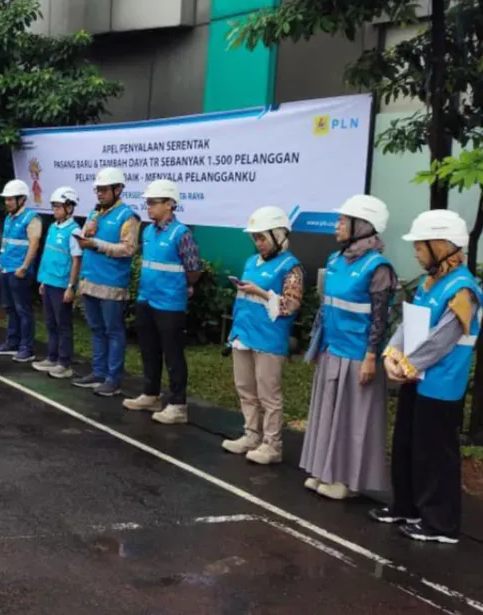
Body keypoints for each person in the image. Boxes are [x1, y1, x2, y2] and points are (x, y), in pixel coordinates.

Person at [375, 210, 479, 545]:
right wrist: (391, 354)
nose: (416, 252)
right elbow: (409, 324)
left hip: (441, 385)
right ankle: (406, 507)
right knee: (407, 444)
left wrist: (406, 366)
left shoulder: (463, 290)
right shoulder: (429, 282)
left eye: (420, 245)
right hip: (416, 379)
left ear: (441, 245)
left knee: (435, 454)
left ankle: (440, 524)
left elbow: (442, 340)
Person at [300, 195, 396, 498]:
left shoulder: (379, 268)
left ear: (362, 225)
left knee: (353, 421)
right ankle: (324, 471)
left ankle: (346, 482)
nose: (337, 226)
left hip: (357, 355)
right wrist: (317, 345)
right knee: (327, 414)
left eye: (343, 220)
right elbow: (325, 308)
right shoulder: (335, 260)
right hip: (332, 348)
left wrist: (371, 356)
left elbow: (381, 318)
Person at [219, 207, 305, 457]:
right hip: (243, 334)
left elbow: (291, 305)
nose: (258, 243)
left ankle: (272, 444)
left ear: (277, 236)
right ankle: (251, 435)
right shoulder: (251, 262)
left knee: (268, 394)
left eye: (262, 238)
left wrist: (262, 293)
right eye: (255, 238)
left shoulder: (291, 267)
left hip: (269, 338)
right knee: (245, 388)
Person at [122, 180, 202, 421]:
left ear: (169, 204)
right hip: (146, 298)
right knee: (149, 350)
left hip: (170, 303)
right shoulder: (147, 232)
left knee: (173, 354)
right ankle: (151, 394)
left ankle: (178, 405)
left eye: (153, 202)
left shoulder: (181, 234)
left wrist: (184, 285)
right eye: (147, 202)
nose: (148, 207)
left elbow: (193, 269)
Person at [72, 167, 139, 395]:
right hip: (90, 279)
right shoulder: (94, 213)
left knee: (113, 331)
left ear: (117, 189)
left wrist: (96, 244)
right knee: (96, 329)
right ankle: (98, 372)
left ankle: (113, 378)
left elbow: (128, 249)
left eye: (103, 189)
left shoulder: (127, 216)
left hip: (111, 283)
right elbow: (84, 240)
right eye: (97, 190)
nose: (99, 193)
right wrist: (86, 235)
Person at [0, 179, 42, 363]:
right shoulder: (9, 218)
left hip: (19, 270)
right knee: (9, 307)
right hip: (6, 268)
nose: (7, 202)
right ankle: (12, 342)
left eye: (10, 199)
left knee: (23, 309)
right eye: (6, 199)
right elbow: (5, 243)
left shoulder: (32, 218)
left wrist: (24, 267)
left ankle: (26, 348)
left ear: (21, 199)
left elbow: (34, 244)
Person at [33, 186, 81, 379]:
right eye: (54, 206)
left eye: (59, 207)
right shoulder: (53, 227)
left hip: (62, 284)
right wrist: (43, 281)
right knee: (50, 322)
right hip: (49, 281)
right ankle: (52, 357)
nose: (55, 210)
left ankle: (64, 362)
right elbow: (48, 255)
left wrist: (71, 286)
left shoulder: (74, 230)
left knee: (63, 325)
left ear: (69, 208)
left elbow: (76, 260)